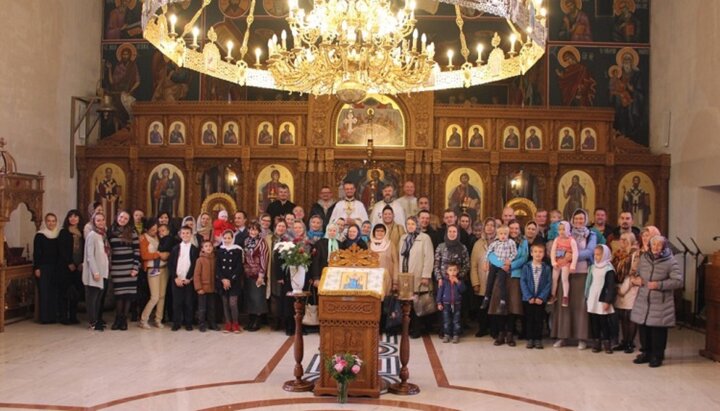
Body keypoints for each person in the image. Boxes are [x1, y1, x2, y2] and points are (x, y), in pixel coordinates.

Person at [631, 235, 682, 368]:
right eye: (653, 245)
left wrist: (659, 285)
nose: (655, 247)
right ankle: (646, 353)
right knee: (644, 329)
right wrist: (636, 279)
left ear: (664, 247)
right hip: (644, 300)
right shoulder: (644, 258)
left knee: (657, 331)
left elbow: (678, 281)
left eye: (659, 245)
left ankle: (657, 356)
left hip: (661, 303)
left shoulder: (671, 261)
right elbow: (637, 273)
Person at [552, 209, 597, 349]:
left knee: (580, 306)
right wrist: (561, 257)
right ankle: (562, 336)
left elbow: (590, 251)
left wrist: (573, 257)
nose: (579, 221)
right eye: (576, 218)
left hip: (582, 273)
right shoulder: (565, 232)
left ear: (586, 220)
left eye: (582, 219)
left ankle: (581, 338)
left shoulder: (591, 234)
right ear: (572, 220)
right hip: (565, 272)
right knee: (564, 305)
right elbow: (556, 249)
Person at [487, 220, 529, 347]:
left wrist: (510, 264)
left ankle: (510, 333)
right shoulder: (499, 240)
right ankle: (501, 333)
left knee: (512, 305)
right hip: (500, 275)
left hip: (515, 275)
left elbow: (524, 257)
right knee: (500, 304)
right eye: (512, 228)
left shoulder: (523, 242)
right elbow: (491, 256)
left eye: (517, 228)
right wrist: (501, 265)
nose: (514, 231)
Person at [398, 217, 434, 338]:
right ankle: (408, 328)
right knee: (408, 304)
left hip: (419, 276)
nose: (410, 226)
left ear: (417, 225)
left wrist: (426, 275)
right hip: (405, 277)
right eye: (408, 224)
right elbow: (400, 257)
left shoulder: (424, 238)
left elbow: (429, 257)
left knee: (418, 304)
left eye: (413, 224)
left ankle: (418, 329)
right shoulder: (403, 238)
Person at [108, 210, 140, 331]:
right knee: (119, 295)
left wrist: (135, 268)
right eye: (121, 217)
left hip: (129, 268)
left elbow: (137, 251)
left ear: (128, 220)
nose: (122, 220)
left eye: (125, 218)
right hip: (117, 268)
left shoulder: (132, 232)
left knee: (127, 295)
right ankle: (117, 318)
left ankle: (124, 320)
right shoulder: (111, 231)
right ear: (117, 217)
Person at [585, 245, 618, 354]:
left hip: (602, 298)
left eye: (599, 254)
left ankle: (607, 343)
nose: (596, 257)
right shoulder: (593, 267)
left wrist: (607, 301)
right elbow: (589, 282)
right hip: (593, 298)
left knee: (604, 322)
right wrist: (587, 295)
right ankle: (596, 343)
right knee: (594, 322)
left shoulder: (609, 269)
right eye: (595, 254)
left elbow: (610, 286)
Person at [139, 218, 170, 329]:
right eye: (152, 230)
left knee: (162, 296)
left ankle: (158, 319)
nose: (154, 232)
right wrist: (158, 254)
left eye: (155, 229)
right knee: (155, 296)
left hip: (163, 267)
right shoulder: (143, 238)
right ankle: (144, 319)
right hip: (152, 268)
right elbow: (144, 255)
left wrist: (166, 254)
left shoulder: (159, 237)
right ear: (147, 229)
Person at [168, 225, 200, 331]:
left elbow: (194, 264)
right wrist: (175, 277)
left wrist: (189, 278)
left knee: (188, 302)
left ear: (191, 235)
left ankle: (188, 323)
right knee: (177, 302)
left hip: (188, 280)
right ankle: (176, 322)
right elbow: (171, 264)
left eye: (187, 233)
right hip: (177, 279)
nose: (185, 235)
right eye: (183, 233)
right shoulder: (175, 248)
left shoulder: (194, 249)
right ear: (180, 235)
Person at [612, 232, 640, 353]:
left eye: (626, 240)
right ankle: (624, 341)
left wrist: (623, 289)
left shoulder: (635, 254)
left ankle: (630, 342)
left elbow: (633, 273)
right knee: (623, 315)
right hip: (619, 286)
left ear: (632, 241)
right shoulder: (618, 254)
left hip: (630, 287)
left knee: (630, 316)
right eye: (621, 239)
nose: (622, 242)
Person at [520, 243, 552, 349]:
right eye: (536, 252)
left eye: (540, 252)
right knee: (529, 319)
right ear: (531, 253)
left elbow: (548, 283)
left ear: (544, 254)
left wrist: (541, 297)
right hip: (528, 299)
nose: (538, 254)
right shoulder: (526, 267)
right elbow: (523, 282)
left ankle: (538, 339)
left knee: (539, 319)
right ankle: (530, 339)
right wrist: (529, 296)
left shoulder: (546, 268)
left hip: (540, 299)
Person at [83, 212, 110, 331]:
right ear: (94, 222)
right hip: (95, 272)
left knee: (99, 298)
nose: (101, 222)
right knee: (92, 298)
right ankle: (92, 322)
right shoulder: (92, 235)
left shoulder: (103, 235)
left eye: (102, 220)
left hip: (103, 271)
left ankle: (97, 320)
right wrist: (95, 271)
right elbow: (90, 255)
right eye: (98, 220)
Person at [481, 225, 517, 314]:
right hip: (495, 264)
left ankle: (502, 301)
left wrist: (510, 260)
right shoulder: (495, 243)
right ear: (498, 234)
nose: (503, 236)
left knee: (501, 282)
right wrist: (486, 261)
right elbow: (488, 253)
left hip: (504, 265)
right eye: (501, 234)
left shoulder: (511, 242)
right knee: (490, 280)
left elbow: (514, 253)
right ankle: (486, 297)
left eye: (505, 234)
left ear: (508, 234)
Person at [470, 217, 496, 337]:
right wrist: (475, 282)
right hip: (482, 280)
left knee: (493, 305)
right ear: (484, 227)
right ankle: (483, 328)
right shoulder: (478, 243)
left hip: (495, 280)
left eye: (492, 225)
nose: (489, 227)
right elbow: (473, 265)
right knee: (482, 307)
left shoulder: (500, 242)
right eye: (487, 225)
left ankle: (493, 329)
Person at [33, 213, 61, 324]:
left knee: (54, 292)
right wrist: (37, 268)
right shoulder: (40, 235)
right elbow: (37, 253)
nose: (51, 223)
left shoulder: (58, 234)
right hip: (43, 267)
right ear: (45, 222)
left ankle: (53, 316)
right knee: (44, 292)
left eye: (53, 221)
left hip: (55, 267)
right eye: (49, 221)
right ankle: (45, 318)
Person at [57, 210, 84, 325]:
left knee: (76, 292)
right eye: (70, 217)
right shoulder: (64, 232)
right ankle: (64, 316)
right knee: (65, 292)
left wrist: (82, 263)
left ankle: (73, 316)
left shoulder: (82, 232)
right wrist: (69, 262)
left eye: (75, 217)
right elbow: (61, 249)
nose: (73, 219)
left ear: (79, 219)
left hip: (79, 266)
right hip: (65, 266)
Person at [243, 222, 269, 331]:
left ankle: (257, 322)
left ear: (259, 231)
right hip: (247, 274)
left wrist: (261, 275)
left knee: (257, 298)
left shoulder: (262, 242)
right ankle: (251, 320)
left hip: (258, 274)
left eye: (255, 230)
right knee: (250, 298)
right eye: (251, 229)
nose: (253, 232)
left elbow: (264, 258)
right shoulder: (246, 241)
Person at [217, 230, 244, 333]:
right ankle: (228, 323)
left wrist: (231, 279)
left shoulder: (237, 250)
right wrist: (223, 279)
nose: (227, 240)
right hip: (222, 281)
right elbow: (218, 267)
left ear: (233, 238)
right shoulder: (220, 250)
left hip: (234, 281)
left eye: (229, 238)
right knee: (225, 303)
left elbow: (239, 267)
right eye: (225, 238)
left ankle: (235, 323)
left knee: (233, 303)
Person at [550, 221, 578, 307]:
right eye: (559, 229)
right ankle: (553, 295)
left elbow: (575, 253)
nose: (561, 231)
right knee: (554, 279)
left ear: (568, 229)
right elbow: (553, 251)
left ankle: (565, 296)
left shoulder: (571, 240)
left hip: (566, 263)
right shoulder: (557, 239)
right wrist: (553, 262)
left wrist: (573, 265)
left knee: (564, 279)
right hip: (557, 263)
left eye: (563, 229)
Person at [437, 262, 466, 344]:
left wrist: (458, 282)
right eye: (450, 270)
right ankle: (446, 335)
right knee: (446, 321)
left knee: (456, 321)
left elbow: (463, 290)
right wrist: (439, 302)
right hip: (446, 304)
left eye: (454, 270)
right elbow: (440, 292)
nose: (452, 272)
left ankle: (456, 335)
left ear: (457, 271)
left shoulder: (459, 281)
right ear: (447, 271)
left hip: (457, 304)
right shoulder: (443, 281)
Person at [193, 240, 219, 332]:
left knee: (212, 308)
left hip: (212, 288)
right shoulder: (200, 260)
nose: (208, 248)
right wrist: (198, 287)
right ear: (202, 249)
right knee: (202, 308)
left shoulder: (215, 259)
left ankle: (212, 323)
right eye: (206, 246)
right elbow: (196, 275)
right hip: (203, 288)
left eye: (210, 246)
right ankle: (201, 324)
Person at [370, 224, 398, 298]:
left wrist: (395, 281)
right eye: (377, 231)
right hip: (372, 279)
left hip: (387, 278)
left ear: (385, 233)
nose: (379, 233)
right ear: (373, 232)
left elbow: (395, 262)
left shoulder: (390, 245)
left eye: (382, 231)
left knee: (385, 302)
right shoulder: (369, 245)